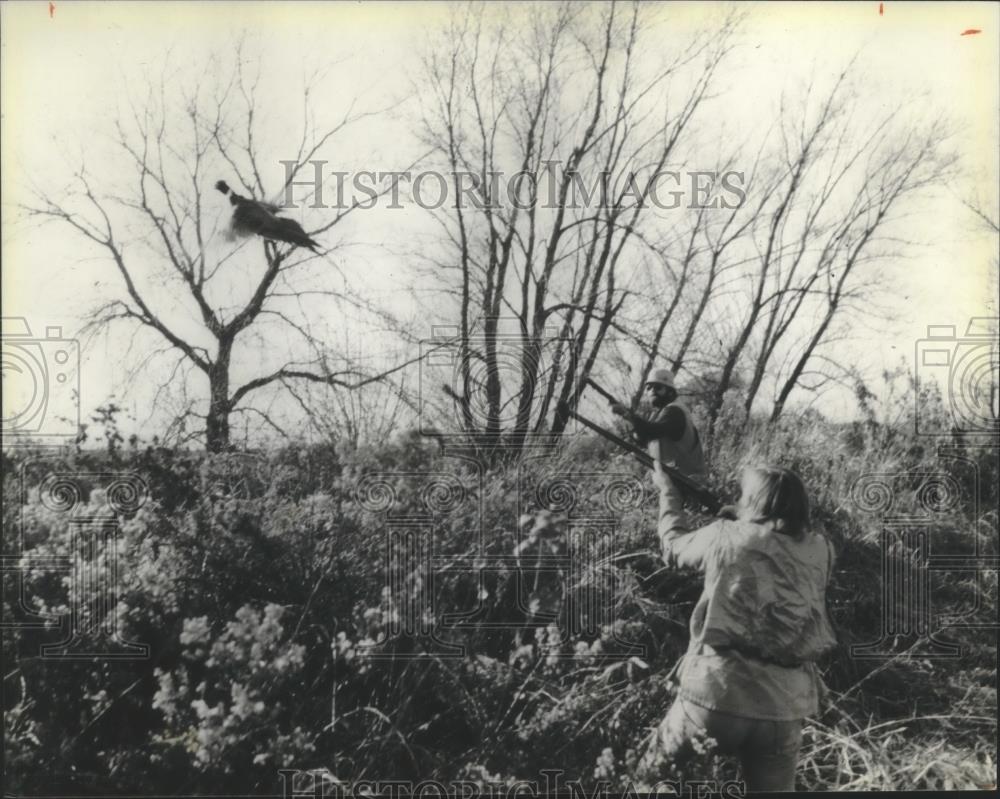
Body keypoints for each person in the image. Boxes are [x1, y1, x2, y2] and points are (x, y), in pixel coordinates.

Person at [640, 466, 838, 792]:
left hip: (715, 694)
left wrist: (668, 493)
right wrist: (744, 520)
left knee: (649, 780)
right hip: (783, 709)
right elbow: (777, 551)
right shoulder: (822, 550)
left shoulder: (724, 534)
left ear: (753, 503)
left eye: (743, 497)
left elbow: (672, 547)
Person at [611, 368, 707, 559]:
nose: (652, 391)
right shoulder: (663, 414)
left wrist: (627, 415)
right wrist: (634, 429)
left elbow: (651, 431)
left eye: (658, 388)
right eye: (649, 388)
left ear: (671, 392)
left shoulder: (675, 412)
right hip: (674, 484)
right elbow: (646, 436)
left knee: (679, 538)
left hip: (688, 485)